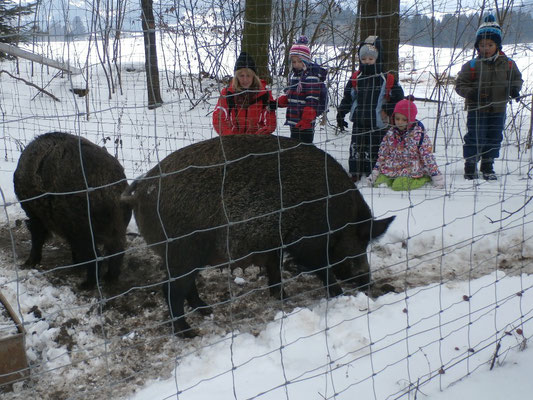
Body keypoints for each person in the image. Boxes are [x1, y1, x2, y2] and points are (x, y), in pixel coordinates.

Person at [455, 14, 523, 180]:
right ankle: (470, 164)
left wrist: (514, 89)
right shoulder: (472, 65)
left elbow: (517, 78)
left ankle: (487, 164)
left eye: (490, 45)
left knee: (494, 137)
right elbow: (460, 85)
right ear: (478, 46)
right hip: (477, 109)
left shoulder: (508, 64)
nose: (486, 48)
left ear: (497, 45)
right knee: (475, 136)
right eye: (482, 45)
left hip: (498, 108)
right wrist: (472, 93)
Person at [336, 36, 404, 182]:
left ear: (378, 58)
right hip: (359, 121)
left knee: (374, 148)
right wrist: (341, 112)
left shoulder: (386, 78)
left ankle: (372, 172)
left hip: (378, 122)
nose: (367, 61)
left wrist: (388, 108)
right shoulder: (356, 78)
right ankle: (355, 171)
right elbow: (348, 97)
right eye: (364, 58)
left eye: (371, 58)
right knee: (356, 147)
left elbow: (398, 97)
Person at [367, 96, 445, 191]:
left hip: (411, 170)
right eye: (397, 118)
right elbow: (382, 155)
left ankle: (424, 178)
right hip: (392, 168)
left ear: (411, 119)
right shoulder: (390, 134)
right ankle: (391, 179)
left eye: (404, 120)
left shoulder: (418, 135)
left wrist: (436, 177)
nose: (400, 122)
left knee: (398, 186)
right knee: (379, 183)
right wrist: (374, 174)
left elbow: (428, 157)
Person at [273, 36, 327, 144]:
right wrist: (277, 103)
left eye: (299, 61)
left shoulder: (311, 77)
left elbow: (312, 99)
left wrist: (307, 119)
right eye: (293, 62)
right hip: (294, 120)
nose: (296, 64)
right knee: (294, 147)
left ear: (306, 60)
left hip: (305, 122)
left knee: (305, 148)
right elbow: (291, 96)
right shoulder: (295, 76)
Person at [212, 52, 276, 136]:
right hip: (233, 137)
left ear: (254, 76)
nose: (245, 79)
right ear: (236, 76)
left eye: (248, 75)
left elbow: (270, 122)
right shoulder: (228, 93)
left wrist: (260, 135)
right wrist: (230, 136)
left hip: (258, 138)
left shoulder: (264, 94)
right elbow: (219, 118)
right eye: (241, 75)